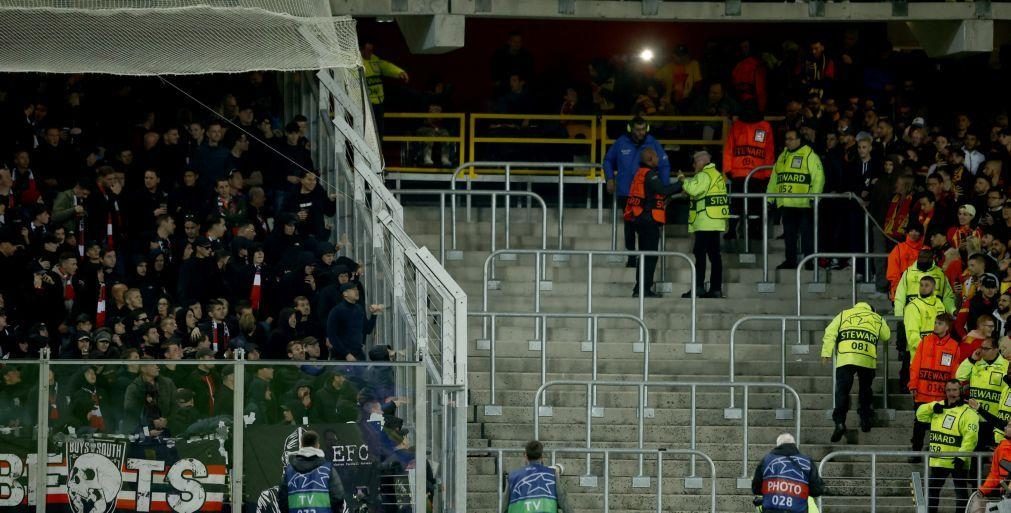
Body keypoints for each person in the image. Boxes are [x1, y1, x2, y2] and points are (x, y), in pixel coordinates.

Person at [603, 116, 671, 268]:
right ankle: (632, 255)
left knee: (644, 227)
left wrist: (664, 189)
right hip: (626, 192)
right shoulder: (621, 142)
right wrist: (609, 178)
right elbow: (607, 160)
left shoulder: (652, 142)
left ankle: (642, 256)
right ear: (630, 128)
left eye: (643, 129)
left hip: (646, 193)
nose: (641, 133)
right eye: (638, 130)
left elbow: (665, 165)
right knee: (629, 226)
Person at [820, 301, 890, 441]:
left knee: (842, 391)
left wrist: (826, 352)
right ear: (871, 309)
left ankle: (839, 422)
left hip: (846, 357)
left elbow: (830, 332)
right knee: (865, 389)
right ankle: (865, 419)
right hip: (866, 358)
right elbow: (886, 336)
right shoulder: (876, 317)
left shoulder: (844, 314)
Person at [623, 147, 682, 297]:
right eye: (656, 157)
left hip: (639, 219)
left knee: (643, 255)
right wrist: (681, 184)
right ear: (650, 159)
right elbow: (663, 190)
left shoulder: (639, 174)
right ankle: (644, 289)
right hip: (648, 221)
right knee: (649, 256)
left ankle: (639, 289)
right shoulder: (650, 175)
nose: (659, 159)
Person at [915, 379, 979, 513]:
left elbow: (971, 437)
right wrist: (931, 407)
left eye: (955, 390)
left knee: (961, 493)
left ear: (960, 391)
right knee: (932, 492)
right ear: (945, 391)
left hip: (957, 460)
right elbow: (920, 414)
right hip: (938, 459)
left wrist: (962, 456)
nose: (952, 393)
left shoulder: (968, 411)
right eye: (949, 390)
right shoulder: (938, 407)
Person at [767, 129, 825, 270]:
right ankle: (790, 261)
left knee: (807, 235)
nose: (788, 141)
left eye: (791, 139)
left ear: (799, 140)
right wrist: (770, 198)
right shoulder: (783, 156)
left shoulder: (809, 154)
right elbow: (775, 178)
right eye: (786, 139)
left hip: (804, 203)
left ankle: (809, 261)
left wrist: (814, 197)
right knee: (789, 236)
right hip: (786, 203)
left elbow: (819, 177)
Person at [908, 313, 960, 460]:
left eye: (940, 323)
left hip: (940, 395)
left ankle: (935, 454)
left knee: (937, 427)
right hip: (922, 392)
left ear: (947, 327)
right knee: (919, 424)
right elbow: (915, 365)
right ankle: (916, 453)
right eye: (936, 322)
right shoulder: (925, 341)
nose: (936, 325)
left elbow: (954, 372)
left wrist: (952, 393)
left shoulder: (954, 346)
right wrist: (913, 384)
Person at [679, 150, 729, 298]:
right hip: (716, 221)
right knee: (715, 256)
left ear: (701, 162)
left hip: (705, 221)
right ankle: (715, 289)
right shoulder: (717, 175)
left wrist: (683, 180)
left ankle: (698, 287)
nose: (694, 166)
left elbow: (693, 189)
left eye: (695, 163)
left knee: (700, 254)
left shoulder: (703, 175)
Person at [723, 102, 774, 240]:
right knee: (736, 205)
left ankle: (754, 231)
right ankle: (732, 229)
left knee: (755, 205)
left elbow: (769, 152)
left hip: (757, 174)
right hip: (738, 174)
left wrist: (767, 173)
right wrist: (728, 169)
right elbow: (729, 149)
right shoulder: (736, 126)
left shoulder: (765, 127)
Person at [956, 337, 1009, 452]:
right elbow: (959, 376)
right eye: (981, 348)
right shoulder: (975, 363)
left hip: (993, 419)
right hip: (974, 417)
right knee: (973, 455)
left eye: (986, 348)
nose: (982, 351)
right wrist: (971, 359)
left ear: (996, 349)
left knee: (991, 457)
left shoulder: (1006, 366)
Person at [751, 433, 825, 513]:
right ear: (794, 444)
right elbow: (817, 490)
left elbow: (756, 488)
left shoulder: (766, 460)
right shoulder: (807, 461)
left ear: (778, 445)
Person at [277, 430, 346, 513]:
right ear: (317, 445)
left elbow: (282, 501)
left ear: (302, 445)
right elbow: (338, 498)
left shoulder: (289, 471)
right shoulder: (328, 469)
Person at [503, 440, 570, 513]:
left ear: (526, 456)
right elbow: (562, 500)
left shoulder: (512, 476)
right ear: (541, 457)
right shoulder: (553, 473)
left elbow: (504, 505)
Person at [325, 283, 382, 361]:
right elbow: (332, 336)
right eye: (353, 289)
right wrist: (346, 354)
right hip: (341, 356)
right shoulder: (336, 311)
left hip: (358, 353)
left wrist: (374, 314)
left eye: (357, 289)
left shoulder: (359, 309)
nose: (357, 291)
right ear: (345, 294)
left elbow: (367, 329)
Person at [361, 42, 408, 137]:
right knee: (367, 131)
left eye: (372, 50)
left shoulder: (375, 60)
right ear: (362, 50)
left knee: (379, 130)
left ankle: (379, 151)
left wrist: (399, 72)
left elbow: (386, 66)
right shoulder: (357, 63)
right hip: (365, 103)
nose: (370, 53)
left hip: (379, 102)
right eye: (368, 50)